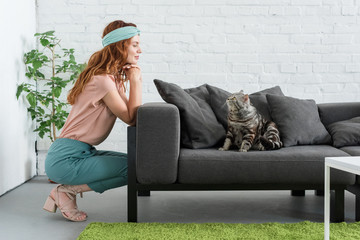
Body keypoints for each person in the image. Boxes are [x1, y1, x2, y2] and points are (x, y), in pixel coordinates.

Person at [42, 20, 142, 222]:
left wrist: (129, 80)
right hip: (66, 158)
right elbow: (132, 119)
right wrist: (136, 80)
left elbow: (132, 115)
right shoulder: (103, 80)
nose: (140, 49)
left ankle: (66, 192)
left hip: (81, 152)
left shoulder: (111, 79)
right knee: (134, 168)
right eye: (135, 44)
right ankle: (66, 192)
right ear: (120, 45)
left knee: (139, 165)